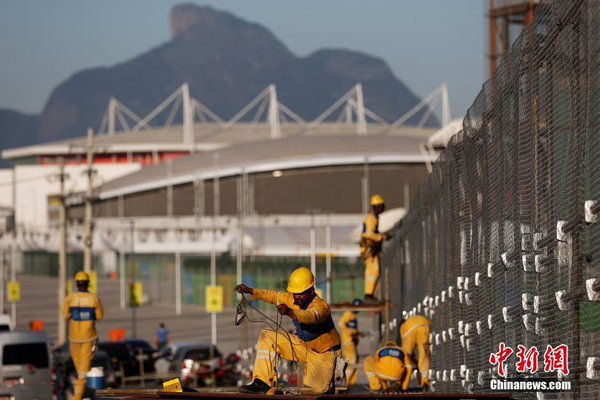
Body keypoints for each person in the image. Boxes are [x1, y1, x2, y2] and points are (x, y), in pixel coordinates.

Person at [235, 267, 342, 394]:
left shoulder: (321, 306)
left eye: (301, 293)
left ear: (312, 291)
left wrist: (290, 312)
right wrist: (251, 291)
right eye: (294, 293)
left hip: (324, 354)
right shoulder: (292, 298)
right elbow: (274, 296)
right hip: (303, 346)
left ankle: (328, 382)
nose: (297, 297)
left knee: (317, 391)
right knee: (267, 336)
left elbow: (310, 317)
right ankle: (262, 382)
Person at [62, 271, 104, 400]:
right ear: (87, 284)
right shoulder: (93, 298)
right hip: (88, 338)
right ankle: (77, 396)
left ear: (77, 284)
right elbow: (99, 316)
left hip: (74, 338)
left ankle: (77, 393)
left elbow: (66, 315)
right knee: (82, 372)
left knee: (79, 368)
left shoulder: (70, 298)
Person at [360, 194, 391, 303]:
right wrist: (380, 237)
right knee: (372, 272)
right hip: (369, 249)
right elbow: (368, 234)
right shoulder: (371, 218)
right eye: (381, 206)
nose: (383, 208)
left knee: (375, 272)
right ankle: (369, 295)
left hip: (371, 248)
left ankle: (371, 295)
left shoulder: (373, 218)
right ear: (376, 206)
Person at [400, 314, 431, 391]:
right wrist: (416, 360)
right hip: (424, 326)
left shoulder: (404, 325)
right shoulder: (423, 318)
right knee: (423, 355)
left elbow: (408, 352)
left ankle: (403, 384)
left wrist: (412, 359)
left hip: (409, 330)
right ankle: (425, 382)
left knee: (406, 356)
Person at [338, 299, 364, 385]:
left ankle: (351, 382)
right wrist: (351, 334)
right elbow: (341, 324)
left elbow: (352, 328)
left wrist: (357, 333)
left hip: (351, 341)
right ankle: (346, 382)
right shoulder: (348, 313)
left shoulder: (353, 315)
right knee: (352, 361)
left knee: (355, 360)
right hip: (348, 341)